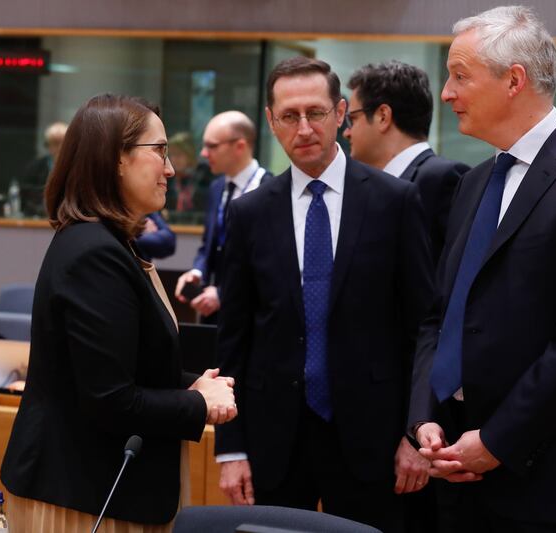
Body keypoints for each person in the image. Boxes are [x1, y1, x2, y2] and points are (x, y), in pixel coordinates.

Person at [409, 6, 556, 533]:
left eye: (460, 75)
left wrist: (495, 442)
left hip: (545, 474)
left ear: (513, 80)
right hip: (453, 461)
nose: (446, 92)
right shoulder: (472, 184)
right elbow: (440, 315)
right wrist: (424, 415)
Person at [214, 57, 433, 532]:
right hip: (275, 438)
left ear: (340, 113)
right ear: (271, 122)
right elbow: (234, 339)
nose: (305, 127)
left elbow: (423, 328)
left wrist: (415, 433)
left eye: (316, 112)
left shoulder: (394, 202)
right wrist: (231, 448)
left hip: (373, 437)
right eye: (290, 116)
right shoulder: (250, 213)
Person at [0, 94, 237, 532]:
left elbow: (126, 367)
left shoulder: (110, 243)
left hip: (102, 489)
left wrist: (194, 385)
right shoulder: (94, 252)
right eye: (159, 151)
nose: (170, 168)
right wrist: (197, 403)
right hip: (83, 497)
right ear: (116, 161)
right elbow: (110, 401)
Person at [344, 60, 470, 262]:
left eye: (352, 119)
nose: (347, 132)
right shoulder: (370, 187)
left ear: (383, 116)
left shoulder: (443, 178)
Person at [175, 111, 271, 320]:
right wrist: (197, 273)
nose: (203, 153)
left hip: (254, 314)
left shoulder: (270, 190)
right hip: (214, 313)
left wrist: (222, 293)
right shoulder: (216, 187)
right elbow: (208, 245)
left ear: (240, 146)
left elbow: (269, 263)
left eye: (212, 146)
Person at [165, 132, 209, 217]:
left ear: (190, 155)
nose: (174, 159)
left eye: (178, 154)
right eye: (171, 155)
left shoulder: (203, 177)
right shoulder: (168, 179)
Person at [21, 121, 68, 187]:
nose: (60, 147)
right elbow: (27, 192)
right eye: (56, 143)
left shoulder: (78, 167)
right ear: (48, 145)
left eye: (64, 142)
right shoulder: (34, 168)